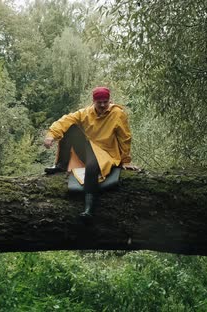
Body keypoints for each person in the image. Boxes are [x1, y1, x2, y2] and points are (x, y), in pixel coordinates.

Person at [43, 86, 138, 218]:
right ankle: (61, 165)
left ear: (110, 100)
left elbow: (125, 138)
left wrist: (126, 160)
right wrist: (51, 135)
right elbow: (65, 120)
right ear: (93, 101)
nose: (103, 105)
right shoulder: (85, 113)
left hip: (107, 153)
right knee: (70, 129)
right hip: (89, 148)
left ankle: (89, 209)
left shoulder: (118, 114)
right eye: (100, 102)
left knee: (92, 167)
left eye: (106, 101)